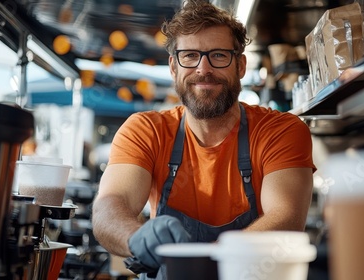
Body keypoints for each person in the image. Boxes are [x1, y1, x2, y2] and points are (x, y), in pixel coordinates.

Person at [92, 1, 316, 279]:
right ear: (174, 67)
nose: (203, 69)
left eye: (219, 55)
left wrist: (200, 261)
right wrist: (135, 237)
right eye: (190, 56)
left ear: (241, 65)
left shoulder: (280, 130)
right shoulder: (145, 130)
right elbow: (110, 206)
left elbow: (286, 218)